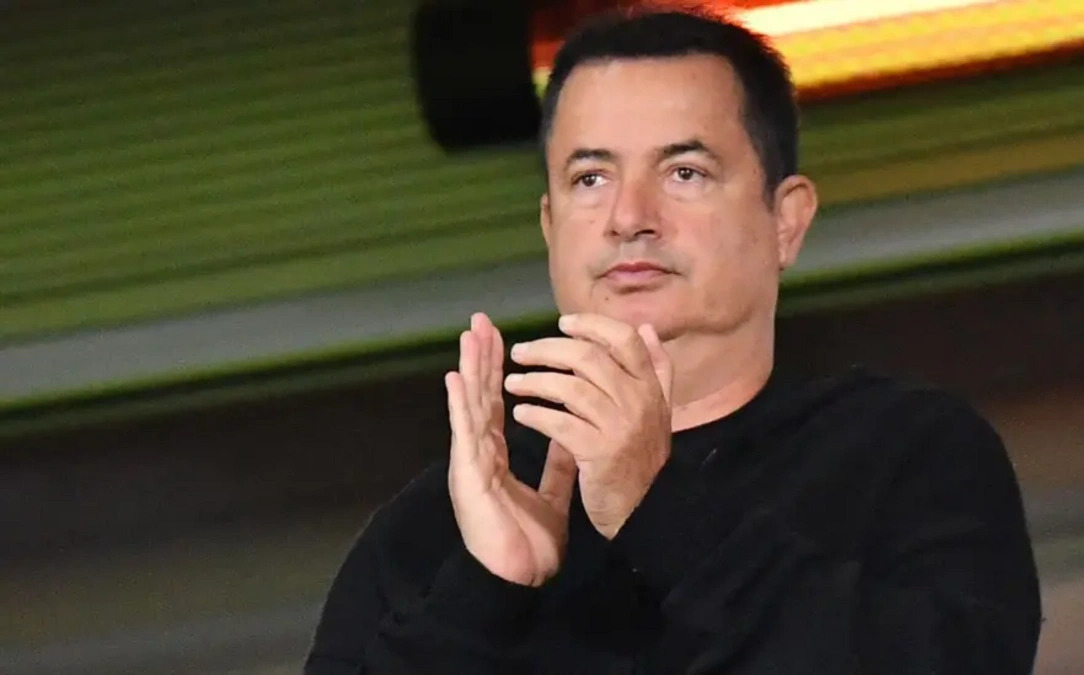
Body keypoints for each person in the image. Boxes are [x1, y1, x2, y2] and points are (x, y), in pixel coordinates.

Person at [304, 6, 1043, 674]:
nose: (630, 216)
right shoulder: (448, 518)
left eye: (685, 172)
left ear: (786, 221)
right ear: (550, 226)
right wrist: (482, 591)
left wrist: (658, 510)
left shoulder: (906, 455)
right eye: (590, 179)